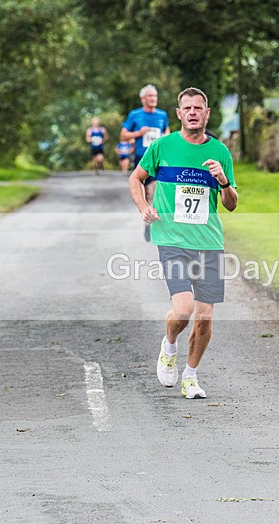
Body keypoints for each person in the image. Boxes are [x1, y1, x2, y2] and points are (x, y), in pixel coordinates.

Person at [128, 87, 238, 399]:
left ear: (206, 113)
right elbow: (136, 178)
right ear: (178, 114)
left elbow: (231, 204)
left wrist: (223, 181)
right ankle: (169, 345)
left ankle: (190, 375)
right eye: (186, 108)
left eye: (198, 108)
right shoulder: (162, 147)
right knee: (184, 308)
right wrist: (143, 207)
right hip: (172, 239)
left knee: (204, 318)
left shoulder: (220, 153)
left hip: (209, 243)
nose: (192, 112)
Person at [121, 84, 171, 240]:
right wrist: (139, 133)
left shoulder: (162, 115)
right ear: (143, 98)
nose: (153, 99)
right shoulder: (135, 115)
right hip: (142, 159)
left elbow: (166, 131)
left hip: (158, 159)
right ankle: (148, 221)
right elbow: (123, 135)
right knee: (147, 193)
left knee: (156, 189)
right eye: (150, 96)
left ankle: (158, 223)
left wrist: (164, 139)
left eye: (155, 96)